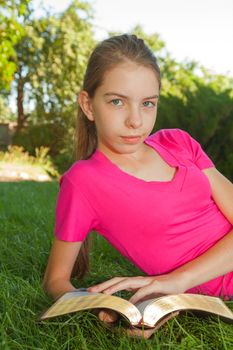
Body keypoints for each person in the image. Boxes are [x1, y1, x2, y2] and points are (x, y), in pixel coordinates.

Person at [43, 34, 233, 321]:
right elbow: (55, 280)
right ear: (88, 105)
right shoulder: (83, 181)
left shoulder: (177, 142)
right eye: (118, 102)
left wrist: (175, 282)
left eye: (147, 103)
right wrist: (98, 307)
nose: (135, 120)